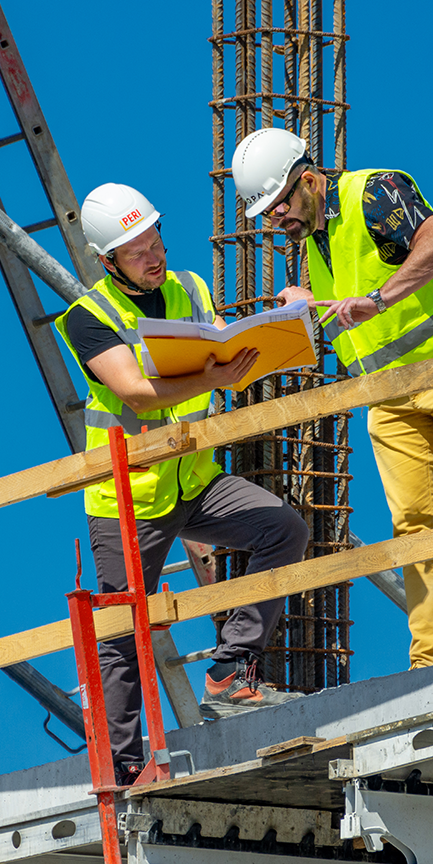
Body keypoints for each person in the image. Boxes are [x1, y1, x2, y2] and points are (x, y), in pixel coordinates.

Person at [54, 182, 310, 783]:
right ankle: (124, 767)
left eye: (155, 238)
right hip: (129, 497)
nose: (153, 254)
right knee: (122, 631)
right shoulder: (87, 319)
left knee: (284, 529)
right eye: (136, 249)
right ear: (107, 260)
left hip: (193, 479)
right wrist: (214, 379)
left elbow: (218, 342)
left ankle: (229, 671)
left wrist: (275, 327)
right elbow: (134, 389)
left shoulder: (189, 287)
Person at [231, 128, 433, 670]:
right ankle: (428, 657)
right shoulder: (313, 240)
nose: (276, 218)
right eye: (267, 213)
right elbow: (348, 305)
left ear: (308, 179)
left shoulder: (375, 192)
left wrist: (378, 300)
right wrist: (307, 306)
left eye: (280, 204)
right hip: (388, 392)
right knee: (413, 522)